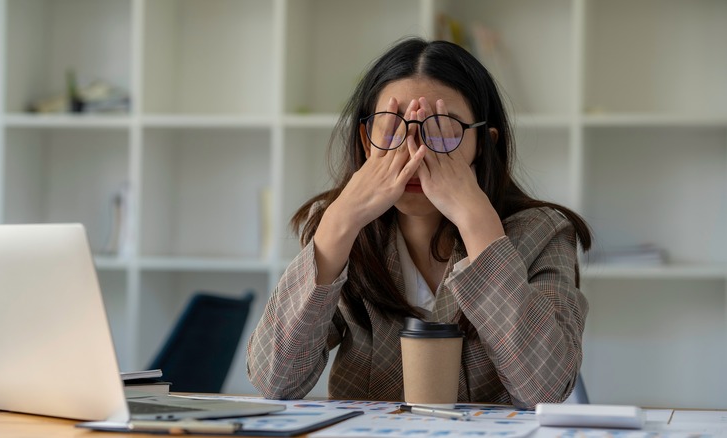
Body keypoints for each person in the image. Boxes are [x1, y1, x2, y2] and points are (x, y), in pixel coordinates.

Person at [246, 37, 592, 409]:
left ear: (484, 144)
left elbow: (545, 389)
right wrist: (339, 223)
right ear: (366, 141)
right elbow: (274, 381)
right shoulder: (341, 230)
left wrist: (479, 225)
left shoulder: (543, 232)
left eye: (441, 129)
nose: (414, 151)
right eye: (392, 127)